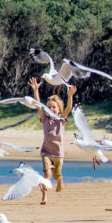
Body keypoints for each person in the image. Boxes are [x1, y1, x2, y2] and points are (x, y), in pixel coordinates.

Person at [29, 77, 75, 205]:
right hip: (46, 152)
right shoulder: (44, 118)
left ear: (59, 109)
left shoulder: (61, 119)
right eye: (49, 107)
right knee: (47, 175)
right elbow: (38, 105)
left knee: (56, 176)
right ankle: (44, 197)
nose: (51, 109)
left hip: (58, 154)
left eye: (54, 107)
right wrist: (36, 90)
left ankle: (60, 180)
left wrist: (70, 95)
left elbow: (68, 108)